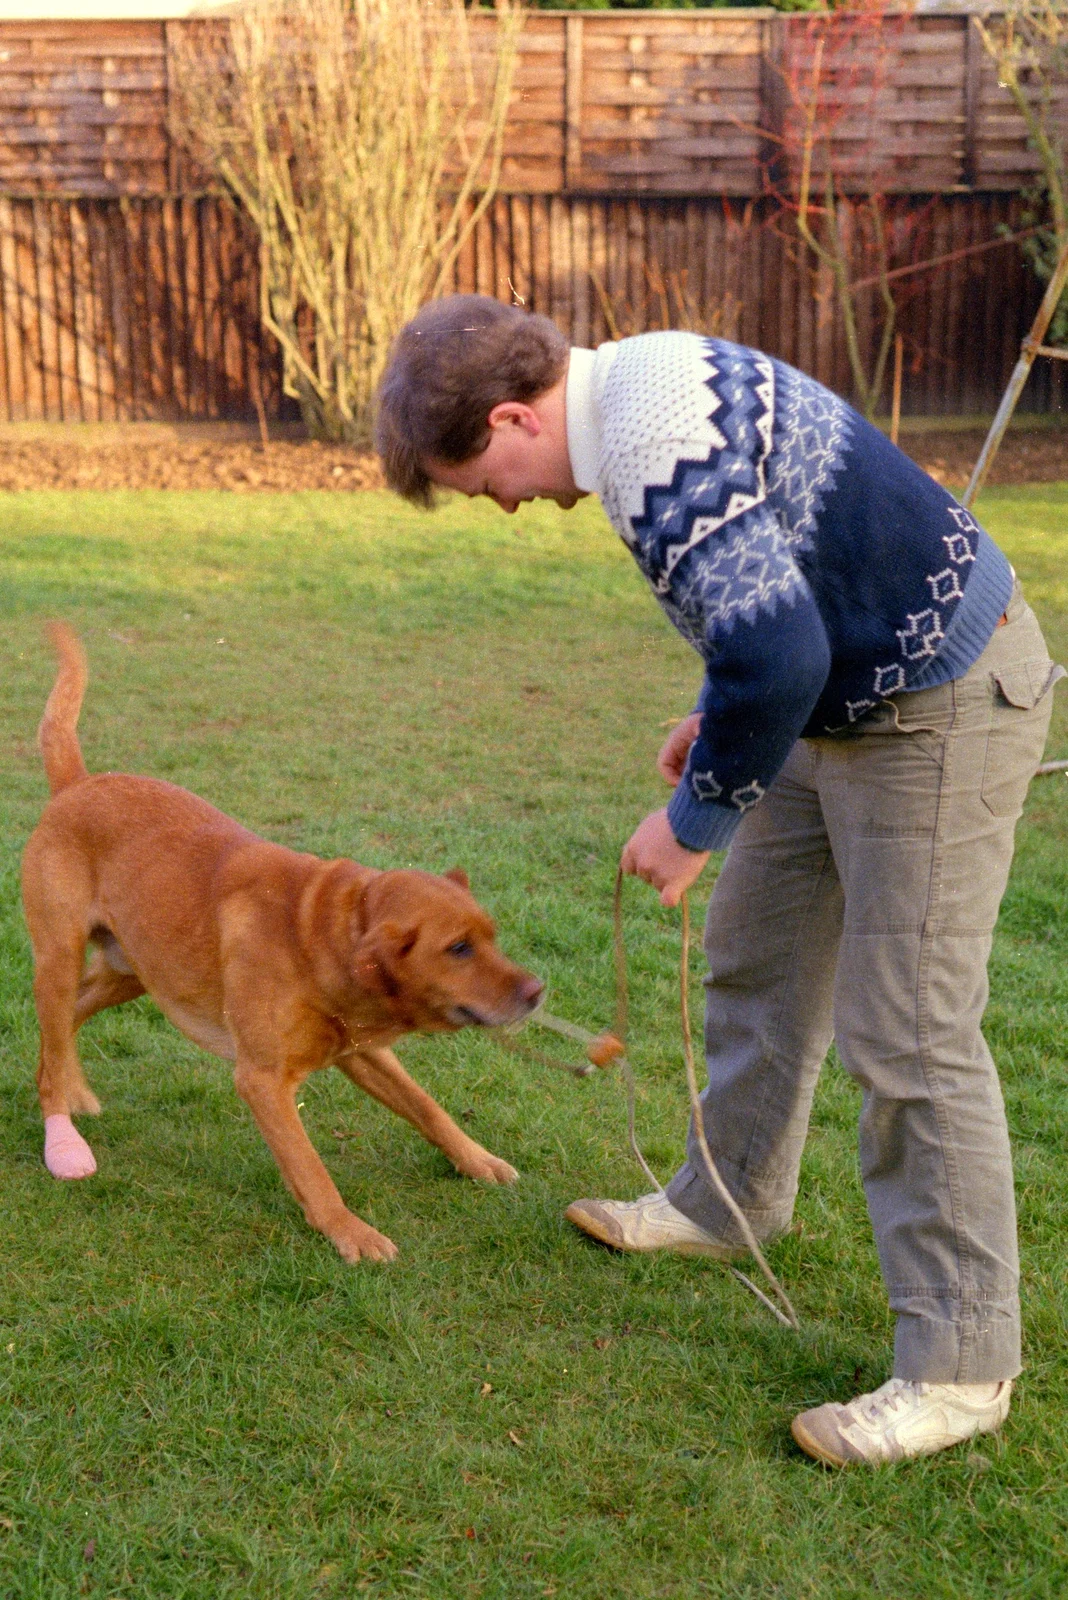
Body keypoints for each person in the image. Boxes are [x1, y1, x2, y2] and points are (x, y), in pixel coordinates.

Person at [374, 294, 1063, 1467]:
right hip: (842, 697)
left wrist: (693, 823)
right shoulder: (632, 387)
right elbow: (773, 595)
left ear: (508, 418)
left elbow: (777, 647)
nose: (498, 507)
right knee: (759, 954)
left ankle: (960, 1362)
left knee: (907, 1030)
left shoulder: (647, 444)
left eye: (474, 477)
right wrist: (721, 719)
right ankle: (725, 1202)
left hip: (940, 696)